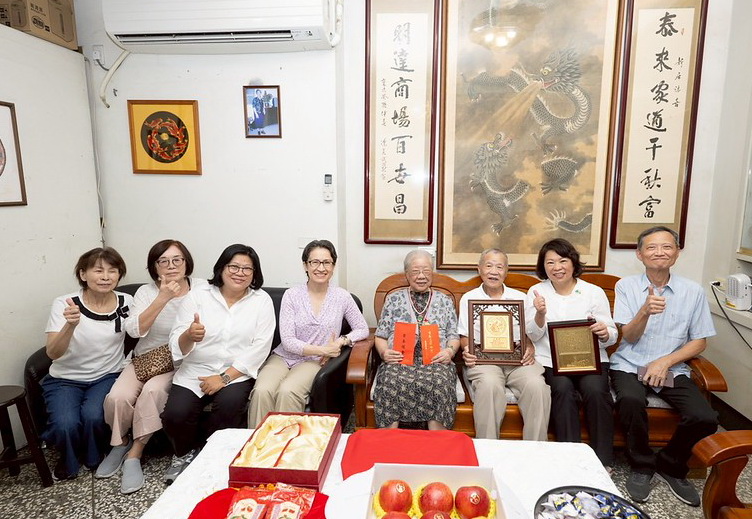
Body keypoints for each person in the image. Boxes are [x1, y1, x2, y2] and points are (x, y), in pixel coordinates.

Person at [611, 226, 718, 506]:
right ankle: (641, 466)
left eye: (667, 246)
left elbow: (700, 341)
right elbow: (628, 336)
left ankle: (670, 464)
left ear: (677, 253)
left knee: (705, 417)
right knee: (630, 401)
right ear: (639, 254)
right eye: (651, 247)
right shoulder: (626, 286)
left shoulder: (693, 291)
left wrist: (665, 362)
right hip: (630, 364)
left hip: (671, 368)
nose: (659, 252)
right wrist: (644, 311)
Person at [160, 244, 275, 484]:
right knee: (175, 414)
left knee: (230, 405)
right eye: (234, 266)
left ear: (254, 273)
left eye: (247, 269)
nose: (240, 273)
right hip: (195, 370)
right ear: (221, 268)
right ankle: (183, 454)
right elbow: (176, 341)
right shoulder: (198, 296)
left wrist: (224, 378)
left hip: (235, 373)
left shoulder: (261, 301)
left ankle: (214, 457)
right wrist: (189, 335)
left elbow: (260, 346)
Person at [96, 240, 204, 494]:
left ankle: (135, 453)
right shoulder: (146, 292)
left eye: (177, 260)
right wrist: (163, 297)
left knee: (152, 393)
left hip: (179, 361)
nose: (171, 266)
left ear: (186, 262)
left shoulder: (201, 289)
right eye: (163, 261)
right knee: (117, 397)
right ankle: (119, 443)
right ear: (154, 267)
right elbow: (134, 330)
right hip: (145, 359)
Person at [249, 240, 368, 426]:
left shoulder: (342, 297)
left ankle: (288, 441)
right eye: (315, 262)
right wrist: (324, 350)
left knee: (288, 391)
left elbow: (362, 328)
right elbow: (288, 341)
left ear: (333, 266)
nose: (321, 268)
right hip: (284, 356)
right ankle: (258, 440)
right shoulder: (292, 295)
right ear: (305, 265)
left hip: (313, 362)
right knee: (262, 391)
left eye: (326, 262)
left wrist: (341, 341)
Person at [524, 238, 617, 468]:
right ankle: (570, 459)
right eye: (550, 262)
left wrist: (604, 332)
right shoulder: (536, 292)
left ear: (573, 262)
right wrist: (539, 314)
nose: (557, 267)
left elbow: (612, 334)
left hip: (591, 360)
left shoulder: (593, 292)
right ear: (543, 266)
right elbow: (532, 334)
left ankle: (602, 461)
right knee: (562, 390)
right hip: (552, 361)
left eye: (562, 261)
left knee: (596, 391)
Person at [42, 247, 132, 481]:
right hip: (65, 379)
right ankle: (68, 460)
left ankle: (94, 456)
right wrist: (70, 326)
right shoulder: (65, 303)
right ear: (83, 274)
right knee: (65, 424)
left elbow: (142, 328)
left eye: (112, 271)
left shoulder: (127, 302)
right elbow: (53, 353)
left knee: (93, 416)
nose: (106, 277)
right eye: (98, 270)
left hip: (107, 375)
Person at [458, 249, 551, 440]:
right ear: (479, 269)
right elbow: (464, 335)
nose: (494, 271)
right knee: (489, 385)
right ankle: (489, 449)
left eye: (500, 267)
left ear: (506, 271)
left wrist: (538, 318)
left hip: (518, 360)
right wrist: (467, 349)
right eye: (489, 266)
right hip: (484, 361)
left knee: (537, 387)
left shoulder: (520, 297)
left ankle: (536, 449)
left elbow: (532, 333)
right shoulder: (469, 298)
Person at [373, 250, 460, 430]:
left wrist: (449, 351)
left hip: (436, 361)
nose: (421, 276)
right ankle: (388, 440)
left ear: (432, 273)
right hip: (399, 360)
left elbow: (453, 336)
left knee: (439, 383)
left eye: (426, 271)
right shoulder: (393, 299)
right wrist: (384, 352)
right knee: (390, 381)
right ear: (407, 274)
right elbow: (380, 335)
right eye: (415, 271)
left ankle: (437, 441)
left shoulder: (444, 301)